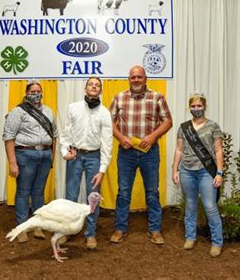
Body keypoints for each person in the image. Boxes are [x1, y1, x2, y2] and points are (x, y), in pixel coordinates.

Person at [109, 65, 173, 245]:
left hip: (149, 153)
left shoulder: (157, 97)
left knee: (152, 192)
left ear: (145, 78)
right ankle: (120, 228)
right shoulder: (119, 97)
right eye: (133, 77)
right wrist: (120, 137)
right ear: (128, 79)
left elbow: (168, 121)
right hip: (126, 153)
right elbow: (109, 121)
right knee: (123, 192)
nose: (136, 80)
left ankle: (155, 229)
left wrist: (153, 136)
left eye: (139, 77)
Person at [59, 77, 113, 250]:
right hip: (75, 155)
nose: (94, 87)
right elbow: (66, 133)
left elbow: (107, 142)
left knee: (93, 197)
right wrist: (65, 152)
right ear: (85, 88)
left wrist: (102, 169)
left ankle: (90, 233)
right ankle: (67, 231)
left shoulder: (105, 113)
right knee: (71, 195)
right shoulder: (73, 108)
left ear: (101, 91)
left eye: (97, 85)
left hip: (94, 157)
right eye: (91, 84)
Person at [3, 80, 57, 243]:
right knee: (23, 191)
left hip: (45, 154)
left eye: (38, 91)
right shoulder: (18, 111)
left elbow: (54, 135)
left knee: (38, 192)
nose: (36, 94)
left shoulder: (48, 111)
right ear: (26, 93)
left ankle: (37, 225)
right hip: (26, 154)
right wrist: (12, 162)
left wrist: (52, 157)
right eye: (32, 91)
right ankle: (22, 227)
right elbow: (8, 137)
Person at [171, 92, 224, 257]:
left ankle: (217, 242)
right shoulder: (184, 127)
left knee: (209, 206)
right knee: (191, 205)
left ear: (205, 106)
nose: (196, 109)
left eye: (199, 106)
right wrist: (175, 169)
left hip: (206, 171)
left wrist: (220, 173)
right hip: (187, 171)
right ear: (189, 108)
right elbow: (179, 149)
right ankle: (190, 237)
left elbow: (218, 150)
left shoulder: (213, 126)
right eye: (193, 106)